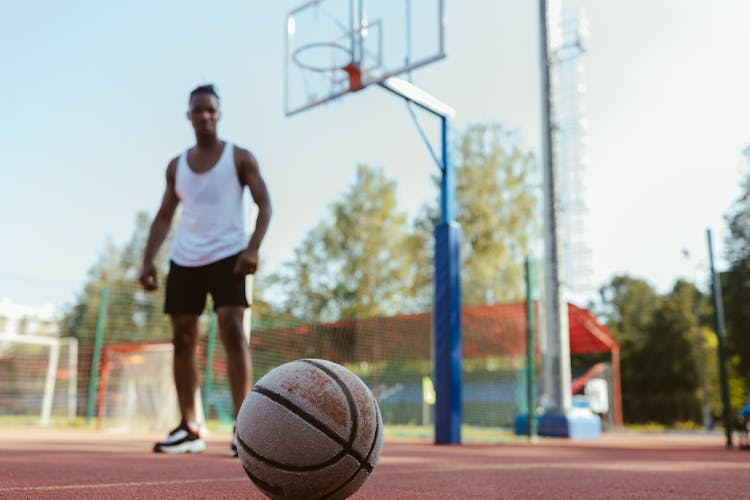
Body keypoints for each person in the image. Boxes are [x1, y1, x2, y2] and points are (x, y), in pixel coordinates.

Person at [139, 84, 272, 456]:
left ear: (219, 114)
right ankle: (189, 427)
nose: (204, 115)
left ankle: (242, 427)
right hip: (185, 258)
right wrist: (148, 259)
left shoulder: (240, 157)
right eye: (198, 110)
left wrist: (253, 248)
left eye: (211, 110)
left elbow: (265, 203)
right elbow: (165, 215)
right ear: (188, 115)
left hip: (230, 255)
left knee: (232, 329)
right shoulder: (176, 166)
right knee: (182, 338)